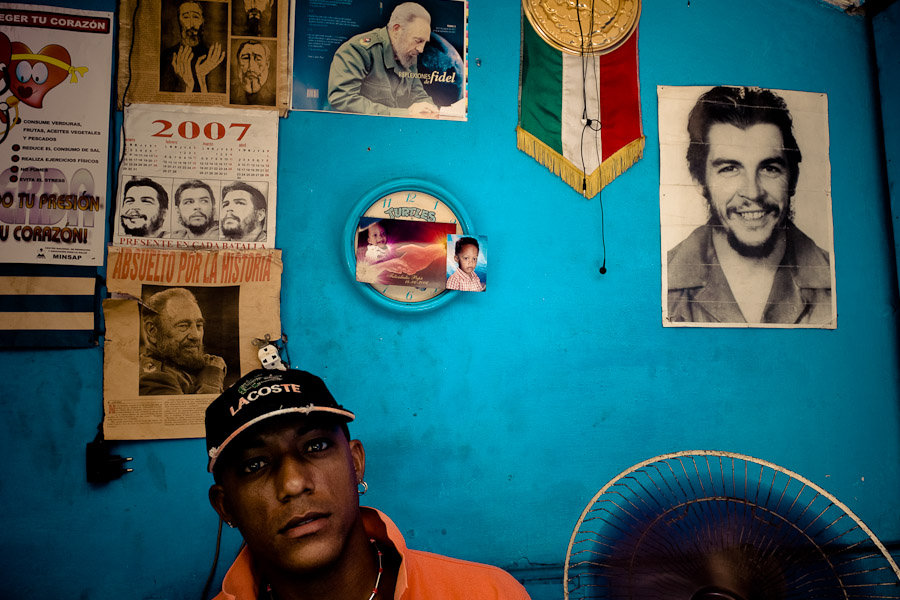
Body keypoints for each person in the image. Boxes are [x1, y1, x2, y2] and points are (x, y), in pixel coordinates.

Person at [205, 368, 532, 600]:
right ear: (226, 506)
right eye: (255, 465)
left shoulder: (489, 593)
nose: (293, 483)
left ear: (356, 463)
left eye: (316, 446)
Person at [666, 85, 833, 325]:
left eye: (769, 168)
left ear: (793, 178)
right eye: (729, 169)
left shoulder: (837, 279)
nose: (753, 192)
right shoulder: (662, 280)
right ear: (700, 182)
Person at [327, 2, 439, 118]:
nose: (421, 49)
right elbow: (341, 99)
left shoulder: (409, 54)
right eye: (418, 40)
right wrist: (404, 113)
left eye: (425, 42)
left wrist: (431, 108)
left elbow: (418, 94)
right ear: (397, 29)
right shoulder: (358, 51)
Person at [139, 287, 226, 395]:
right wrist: (211, 378)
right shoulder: (154, 378)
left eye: (199, 325)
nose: (196, 335)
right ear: (152, 331)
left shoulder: (181, 364)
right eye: (183, 326)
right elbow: (202, 412)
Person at [160, 0, 225, 93]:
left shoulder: (212, 58)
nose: (191, 24)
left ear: (202, 20)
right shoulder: (166, 56)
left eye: (195, 17)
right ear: (179, 20)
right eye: (185, 17)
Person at [230, 40, 275, 106]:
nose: (251, 67)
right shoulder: (231, 96)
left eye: (258, 59)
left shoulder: (272, 99)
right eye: (245, 58)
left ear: (267, 64)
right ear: (238, 63)